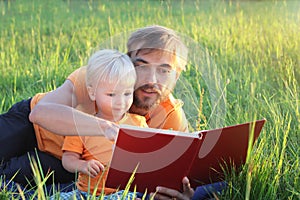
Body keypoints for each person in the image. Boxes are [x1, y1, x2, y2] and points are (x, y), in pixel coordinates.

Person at [0, 25, 222, 199]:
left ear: (177, 76)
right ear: (127, 63)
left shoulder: (169, 115)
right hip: (30, 127)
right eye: (142, 66)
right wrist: (104, 128)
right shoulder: (99, 78)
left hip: (70, 163)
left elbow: (175, 175)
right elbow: (40, 114)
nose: (152, 80)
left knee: (14, 180)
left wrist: (183, 193)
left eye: (164, 70)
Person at [57, 49, 148, 199]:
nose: (120, 101)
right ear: (92, 93)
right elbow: (68, 160)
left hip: (123, 192)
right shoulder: (84, 125)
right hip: (85, 193)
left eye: (127, 93)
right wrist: (83, 165)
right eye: (111, 94)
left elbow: (147, 158)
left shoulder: (138, 123)